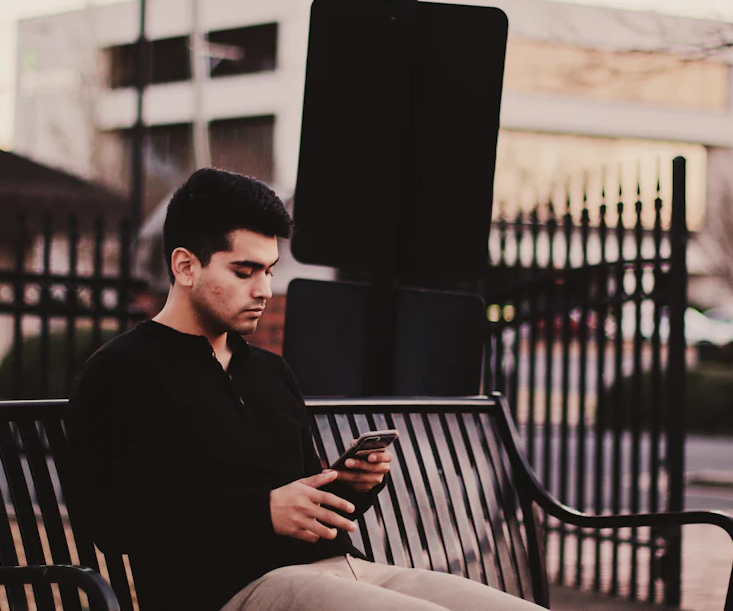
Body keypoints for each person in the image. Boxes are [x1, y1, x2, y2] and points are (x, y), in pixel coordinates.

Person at [66, 168, 544, 611]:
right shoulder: (122, 371)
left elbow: (300, 506)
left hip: (339, 571)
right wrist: (260, 513)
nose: (265, 290)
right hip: (227, 591)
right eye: (244, 271)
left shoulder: (271, 374)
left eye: (270, 270)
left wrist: (350, 487)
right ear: (186, 267)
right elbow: (111, 520)